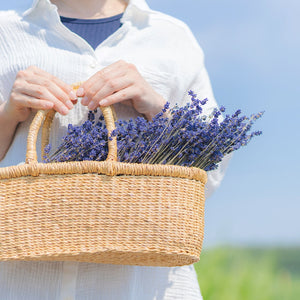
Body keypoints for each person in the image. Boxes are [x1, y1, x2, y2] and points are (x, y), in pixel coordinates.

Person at [0, 0, 230, 299]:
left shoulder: (172, 36)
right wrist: (9, 113)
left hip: (146, 286)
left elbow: (210, 170)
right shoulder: (7, 31)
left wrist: (155, 105)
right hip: (22, 280)